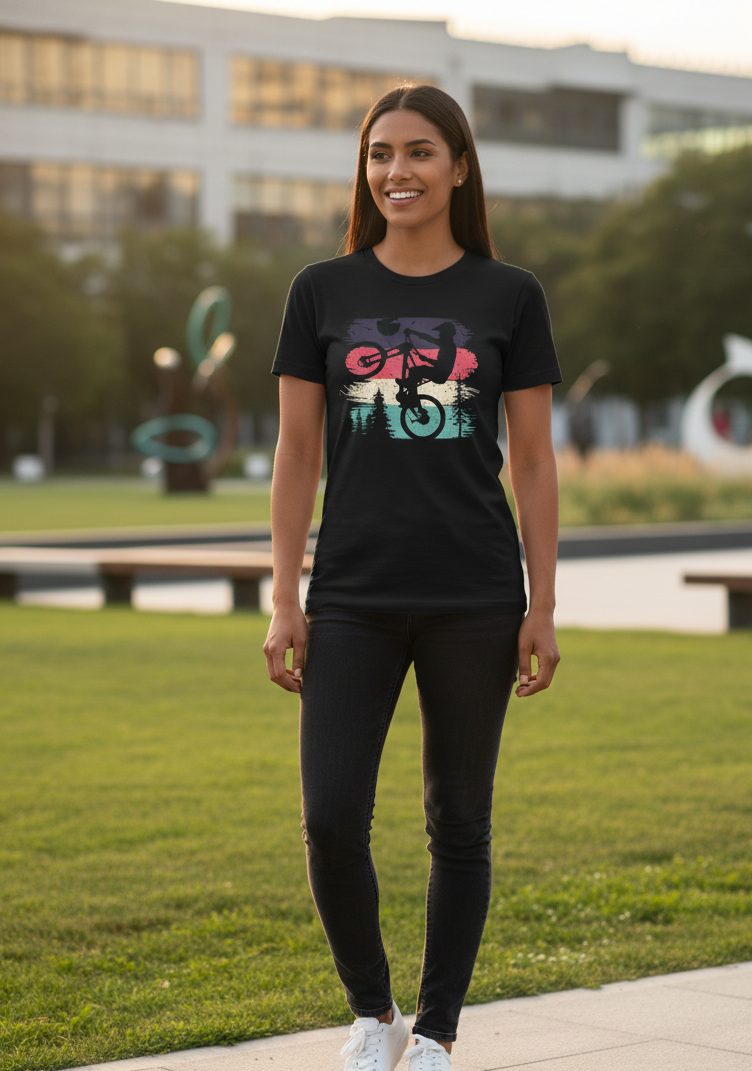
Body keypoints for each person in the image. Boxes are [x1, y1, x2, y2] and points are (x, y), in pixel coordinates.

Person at [263, 84, 561, 1071]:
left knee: (458, 821)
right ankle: (371, 1012)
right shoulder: (321, 289)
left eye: (420, 152)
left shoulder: (507, 295)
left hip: (474, 598)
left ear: (458, 167)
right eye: (380, 153)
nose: (397, 170)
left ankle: (435, 1031)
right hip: (348, 595)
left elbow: (533, 461)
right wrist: (282, 596)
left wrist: (542, 607)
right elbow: (295, 455)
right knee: (331, 816)